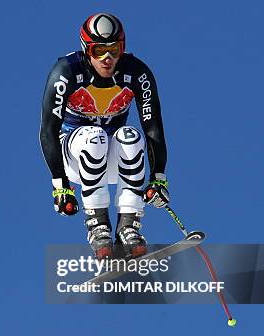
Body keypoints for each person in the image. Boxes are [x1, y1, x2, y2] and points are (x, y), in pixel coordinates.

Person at [39, 13, 170, 259]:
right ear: (87, 50)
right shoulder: (67, 71)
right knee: (95, 136)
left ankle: (128, 227)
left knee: (130, 136)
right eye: (99, 50)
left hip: (111, 159)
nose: (108, 58)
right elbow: (48, 130)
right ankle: (98, 226)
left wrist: (159, 178)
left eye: (114, 49)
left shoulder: (136, 73)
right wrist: (60, 186)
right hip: (74, 157)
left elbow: (152, 127)